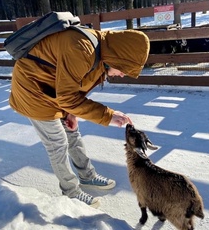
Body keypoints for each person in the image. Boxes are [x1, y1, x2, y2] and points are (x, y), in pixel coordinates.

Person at [9, 27, 150, 208]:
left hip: (53, 88)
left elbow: (75, 87)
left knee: (72, 132)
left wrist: (71, 112)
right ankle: (71, 192)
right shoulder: (82, 49)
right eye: (124, 69)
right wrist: (108, 116)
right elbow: (67, 97)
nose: (123, 75)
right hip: (32, 90)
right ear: (118, 58)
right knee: (57, 142)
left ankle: (87, 176)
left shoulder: (102, 54)